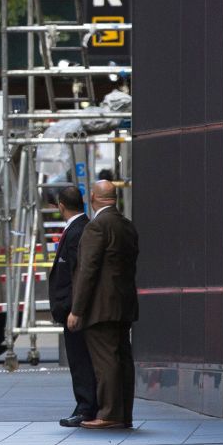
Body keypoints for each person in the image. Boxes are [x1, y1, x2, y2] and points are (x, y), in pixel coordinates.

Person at [68, 180, 139, 429]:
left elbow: (88, 271)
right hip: (124, 305)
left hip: (100, 307)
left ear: (94, 199)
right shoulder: (127, 226)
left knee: (105, 361)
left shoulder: (97, 227)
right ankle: (123, 413)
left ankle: (108, 414)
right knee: (122, 359)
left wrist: (76, 310)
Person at [47, 186, 96, 427]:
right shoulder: (80, 228)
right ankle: (85, 405)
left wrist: (73, 308)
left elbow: (78, 273)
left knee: (80, 360)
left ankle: (86, 407)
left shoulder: (77, 231)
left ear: (61, 206)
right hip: (72, 308)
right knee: (79, 359)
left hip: (74, 310)